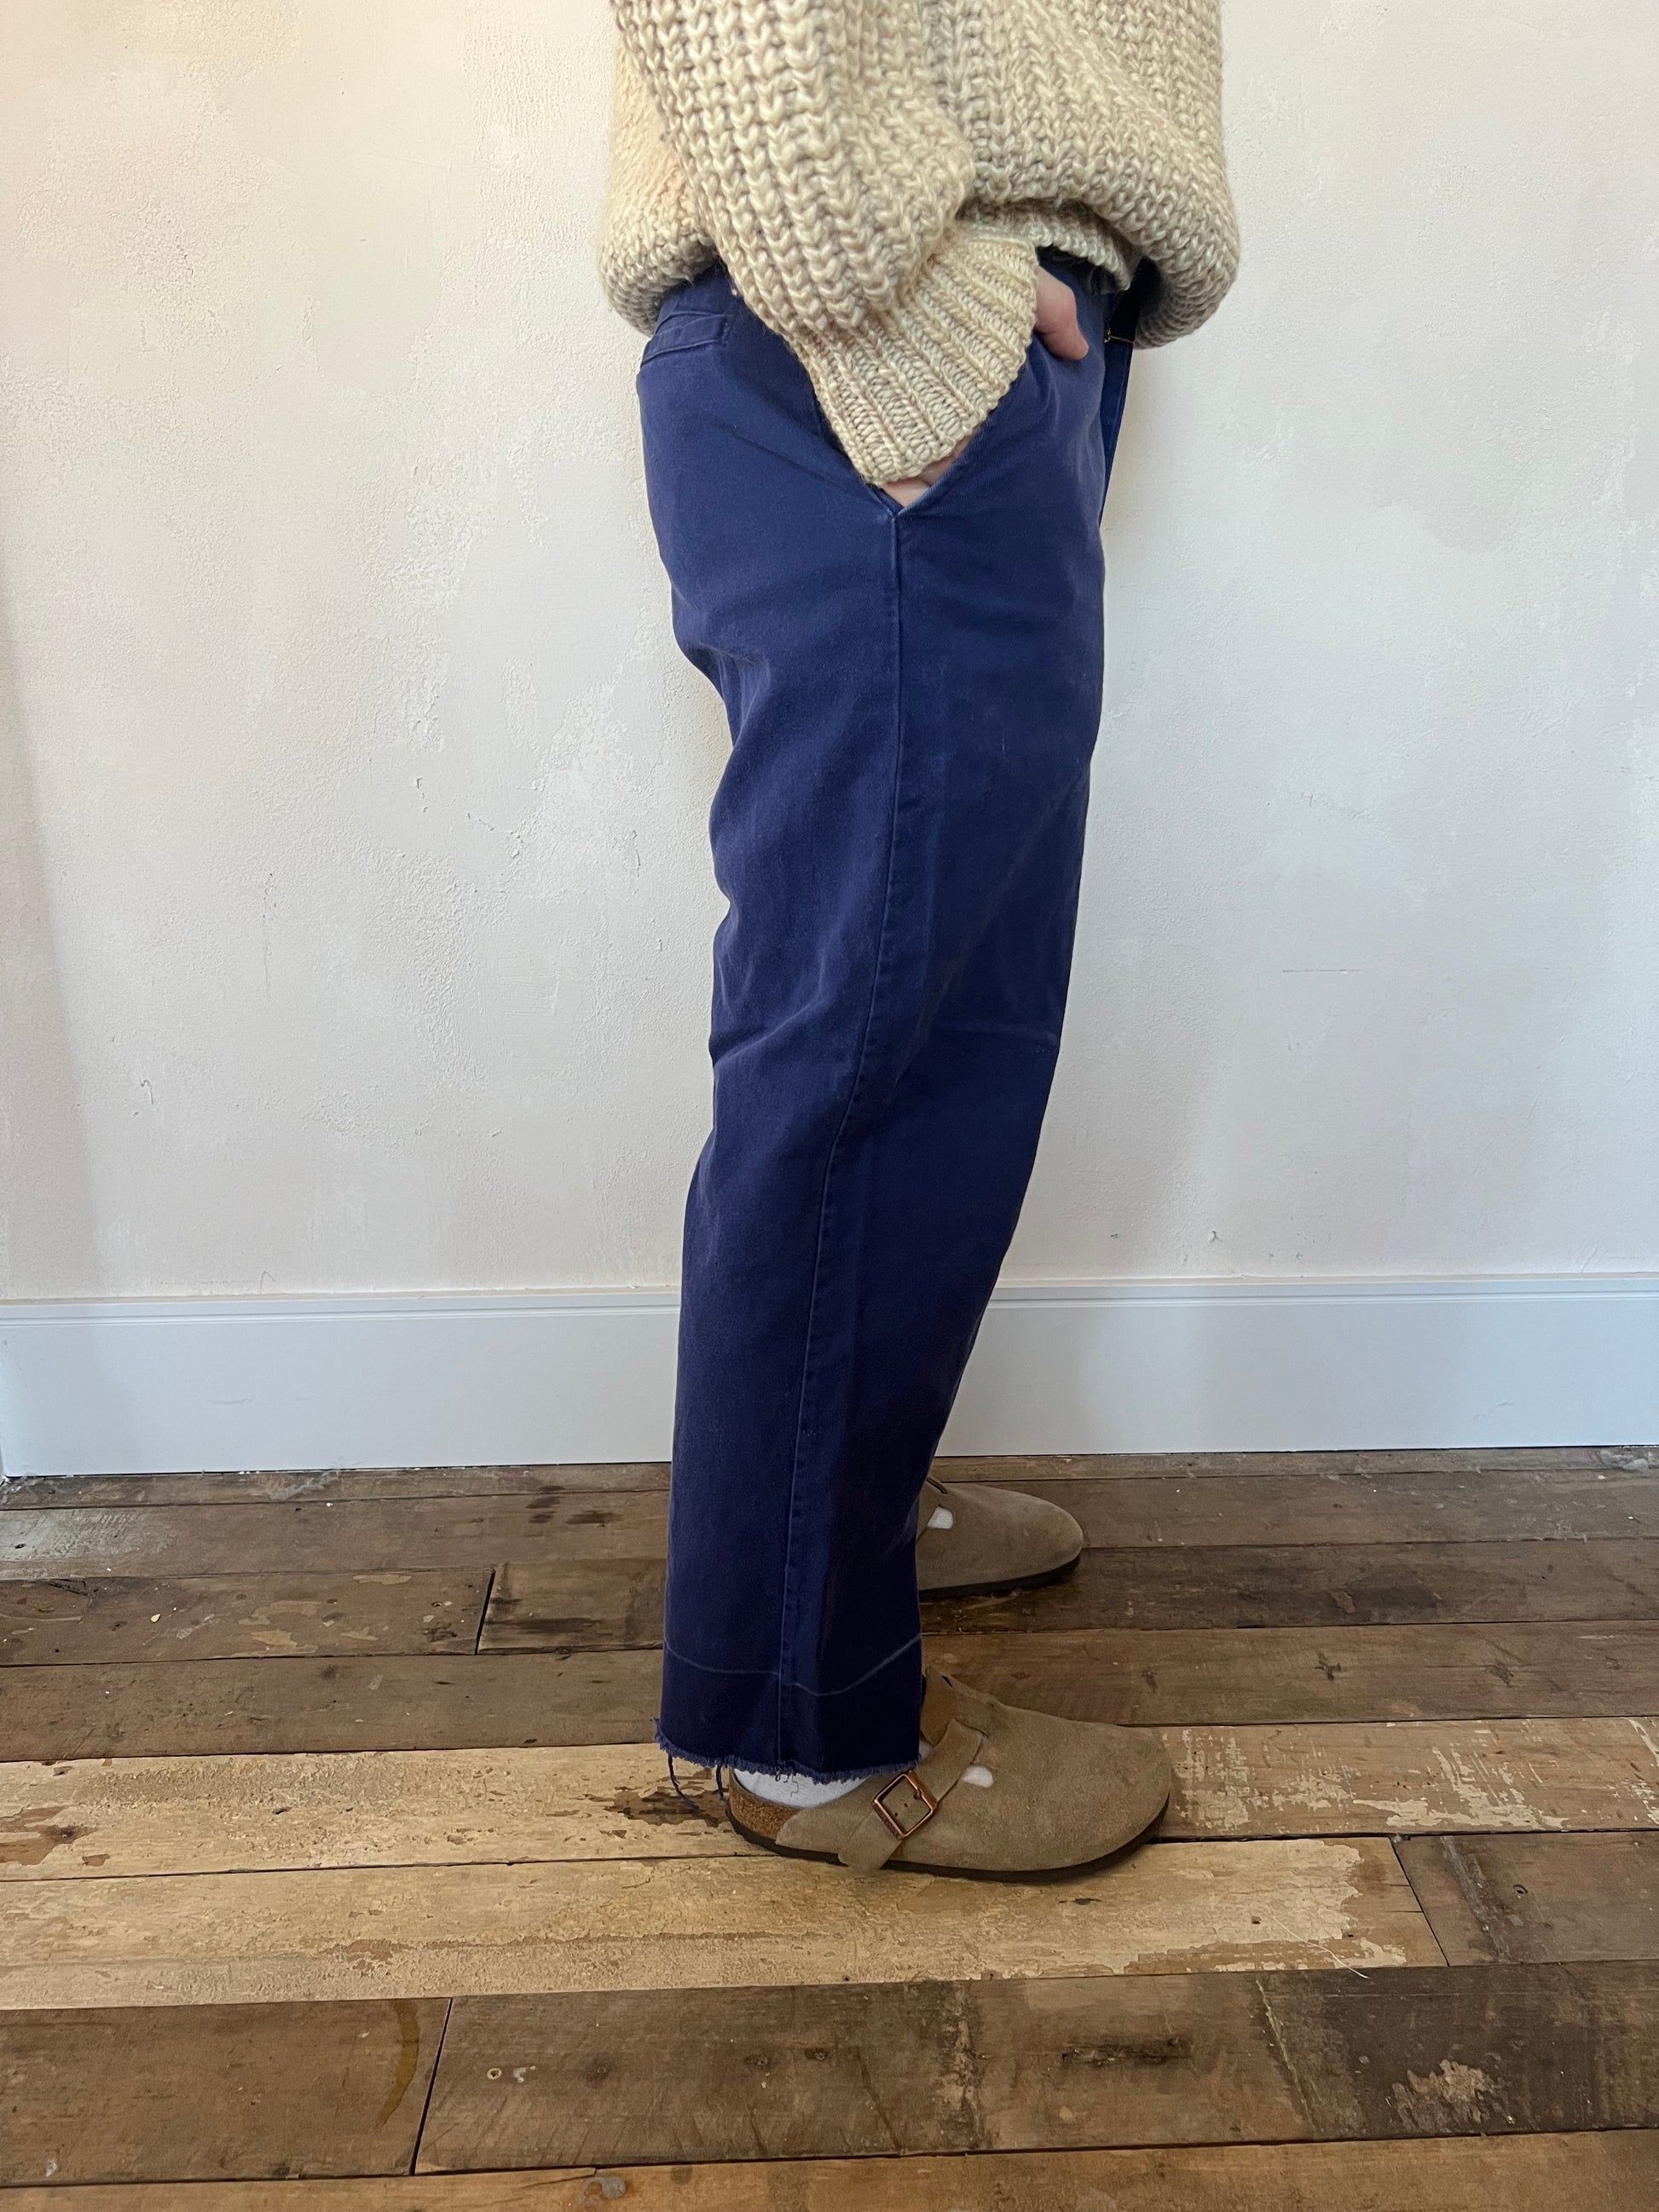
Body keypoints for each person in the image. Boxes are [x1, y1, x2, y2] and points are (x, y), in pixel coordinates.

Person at [598, 0, 1239, 1878]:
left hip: (942, 335)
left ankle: (840, 1511)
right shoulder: (889, 324)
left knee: (945, 1024)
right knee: (870, 1048)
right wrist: (892, 307)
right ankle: (801, 1732)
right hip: (875, 334)